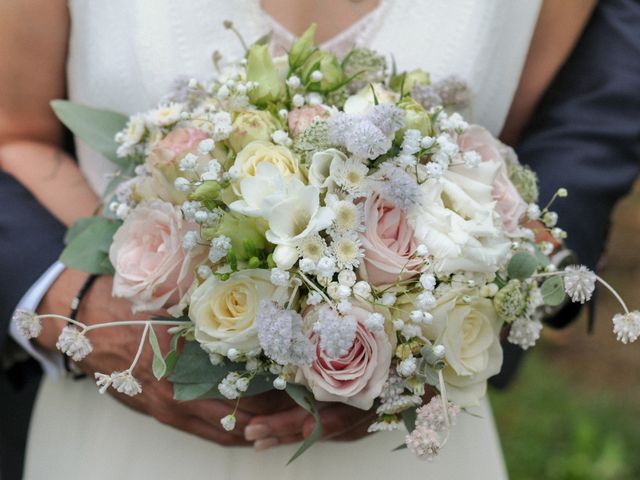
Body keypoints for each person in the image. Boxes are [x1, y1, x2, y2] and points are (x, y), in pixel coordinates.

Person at [1, 0, 636, 478]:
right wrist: (79, 304)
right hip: (124, 433)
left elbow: (540, 158)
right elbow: (13, 134)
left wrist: (473, 308)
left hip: (406, 450)